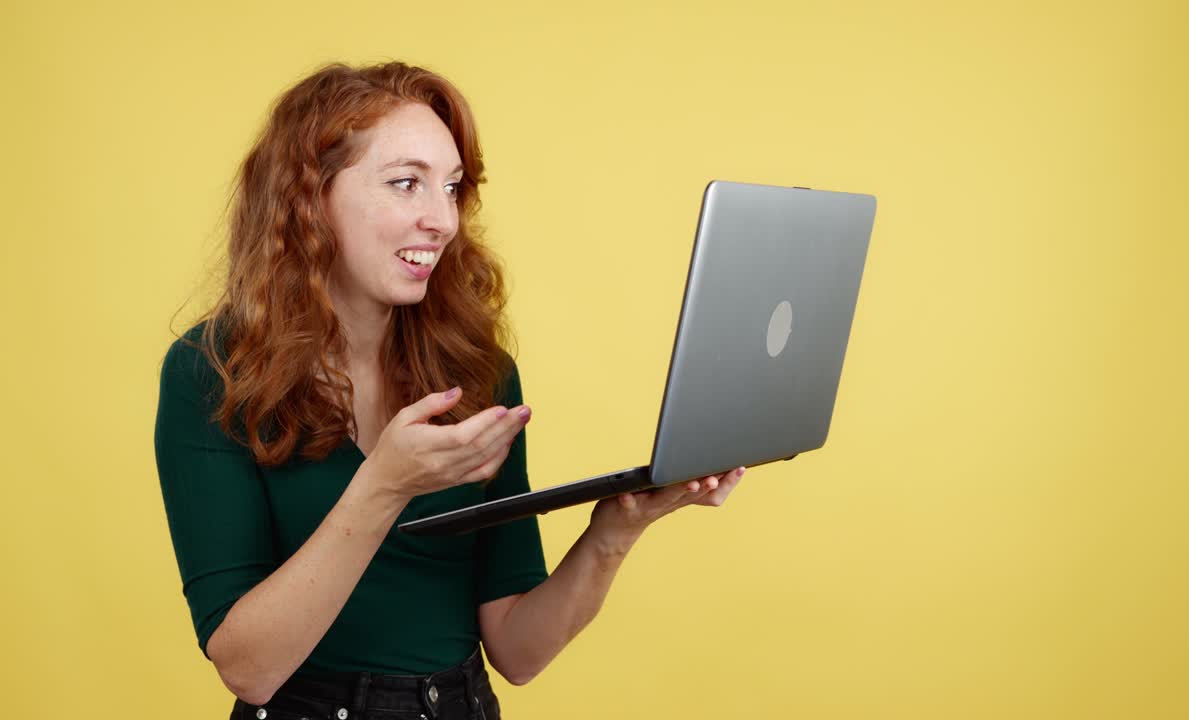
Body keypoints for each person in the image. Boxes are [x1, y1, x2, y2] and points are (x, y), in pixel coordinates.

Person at [153, 60, 745, 720]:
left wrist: (614, 532)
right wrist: (384, 486)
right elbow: (248, 669)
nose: (442, 219)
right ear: (309, 199)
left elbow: (518, 650)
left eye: (452, 187)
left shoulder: (477, 370)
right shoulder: (212, 372)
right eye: (406, 183)